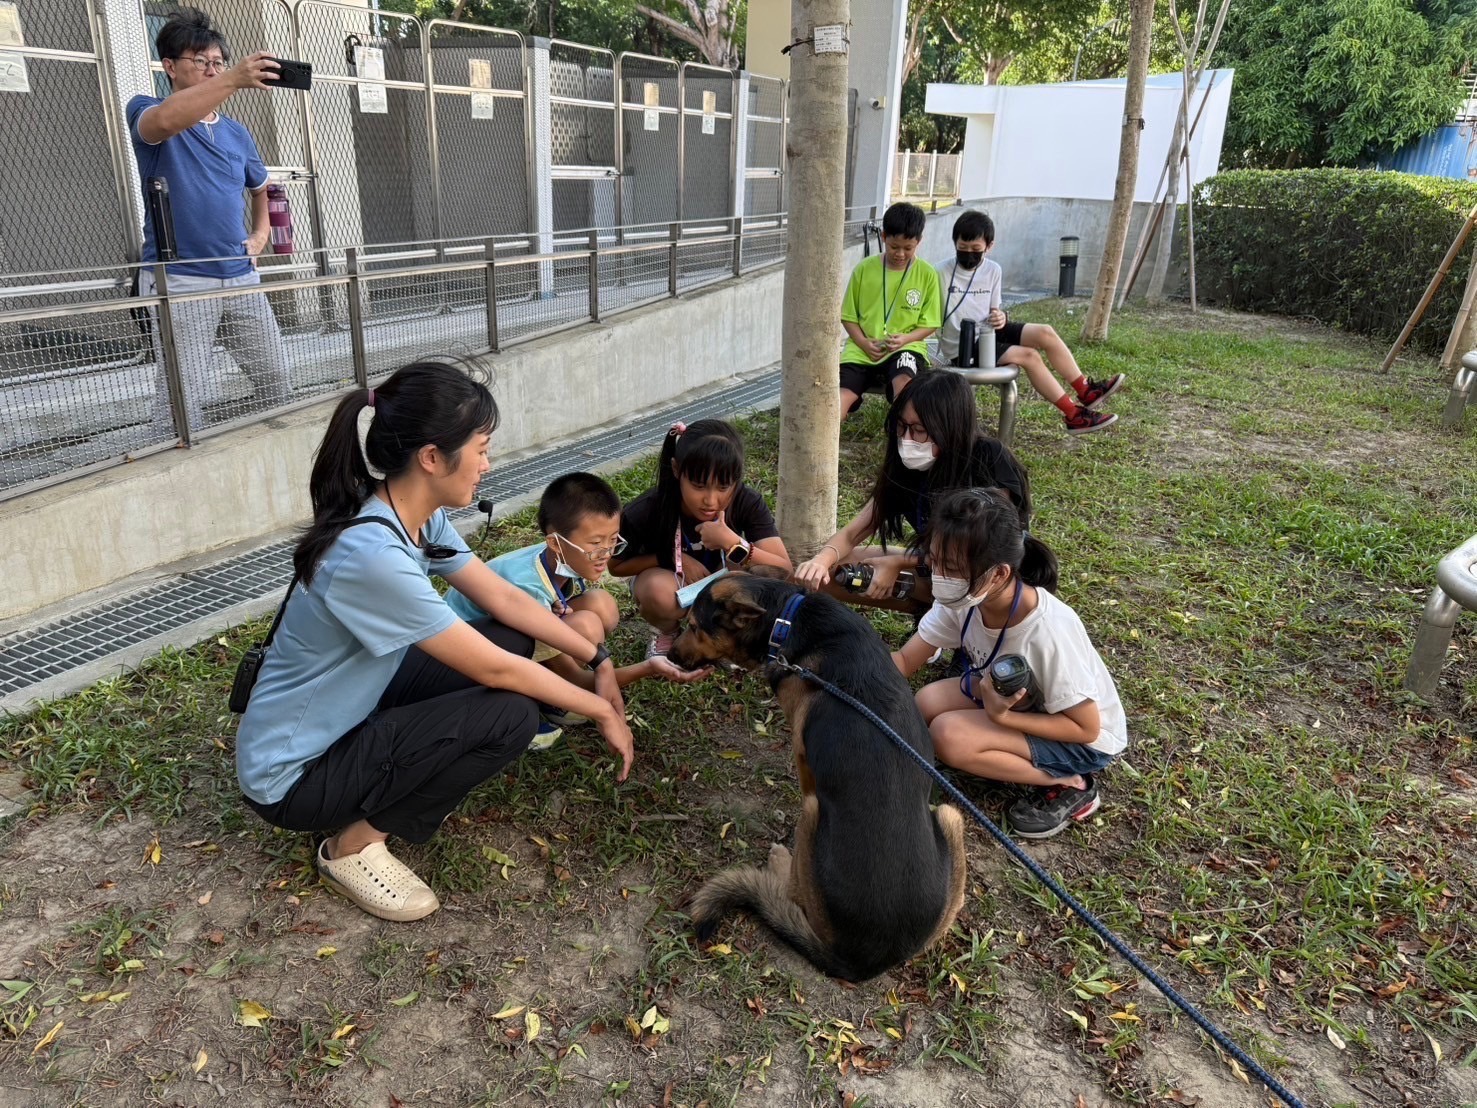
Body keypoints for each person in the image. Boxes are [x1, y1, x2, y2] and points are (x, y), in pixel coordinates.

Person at [235, 362, 636, 923]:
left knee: (513, 634)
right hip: (294, 777)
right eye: (481, 447)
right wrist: (598, 707)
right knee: (510, 717)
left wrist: (600, 659)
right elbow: (497, 673)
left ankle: (398, 765)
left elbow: (504, 600)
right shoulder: (371, 556)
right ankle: (351, 846)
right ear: (431, 457)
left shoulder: (408, 514)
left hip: (357, 704)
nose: (487, 464)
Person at [891, 488, 1127, 839]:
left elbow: (1086, 728)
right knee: (925, 702)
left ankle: (1071, 783)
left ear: (999, 574)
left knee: (947, 735)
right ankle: (995, 737)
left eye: (951, 568)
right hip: (1015, 698)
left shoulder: (1048, 631)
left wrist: (1001, 717)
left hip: (1080, 739)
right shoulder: (963, 596)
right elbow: (907, 660)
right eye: (934, 561)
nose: (938, 575)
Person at [444, 471, 712, 748]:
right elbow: (578, 677)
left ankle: (547, 685)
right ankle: (536, 699)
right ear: (556, 542)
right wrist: (648, 668)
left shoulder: (561, 558)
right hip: (461, 664)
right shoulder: (527, 586)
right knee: (585, 625)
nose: (606, 553)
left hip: (496, 632)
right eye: (596, 544)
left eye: (612, 540)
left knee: (601, 605)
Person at [127, 7, 293, 437]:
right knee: (180, 407)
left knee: (278, 384)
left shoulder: (237, 133)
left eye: (217, 62)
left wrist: (260, 235)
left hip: (240, 277)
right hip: (182, 280)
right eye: (200, 62)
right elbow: (165, 121)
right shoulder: (146, 110)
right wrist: (231, 79)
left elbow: (261, 188)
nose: (210, 70)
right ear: (170, 66)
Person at [793, 369, 1030, 615]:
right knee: (836, 568)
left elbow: (984, 550)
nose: (907, 439)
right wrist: (820, 561)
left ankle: (948, 625)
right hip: (934, 565)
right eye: (901, 426)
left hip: (978, 577)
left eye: (918, 429)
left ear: (949, 427)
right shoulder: (905, 469)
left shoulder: (989, 459)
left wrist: (900, 563)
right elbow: (854, 532)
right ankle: (929, 614)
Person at [608, 419, 793, 658]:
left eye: (723, 487)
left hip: (724, 580)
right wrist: (672, 558)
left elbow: (784, 570)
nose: (710, 500)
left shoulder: (747, 501)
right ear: (676, 470)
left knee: (756, 575)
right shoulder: (648, 509)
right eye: (698, 486)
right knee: (656, 590)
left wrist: (733, 544)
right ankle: (666, 631)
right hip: (673, 582)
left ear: (736, 480)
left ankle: (726, 640)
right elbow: (616, 566)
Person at [936, 210, 1123, 437]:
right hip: (963, 345)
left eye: (976, 250)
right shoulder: (940, 272)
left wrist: (1001, 317)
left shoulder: (993, 270)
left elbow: (995, 311)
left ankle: (1085, 390)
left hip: (988, 330)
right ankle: (1074, 415)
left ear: (989, 246)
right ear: (954, 243)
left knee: (1045, 332)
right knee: (1029, 356)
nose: (968, 255)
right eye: (962, 249)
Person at [838, 202, 942, 424]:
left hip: (906, 348)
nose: (900, 254)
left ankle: (901, 441)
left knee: (905, 386)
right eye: (894, 247)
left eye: (908, 248)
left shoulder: (927, 274)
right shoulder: (864, 269)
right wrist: (863, 342)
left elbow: (931, 323)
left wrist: (906, 338)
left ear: (919, 242)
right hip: (861, 350)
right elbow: (848, 316)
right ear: (884, 236)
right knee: (839, 399)